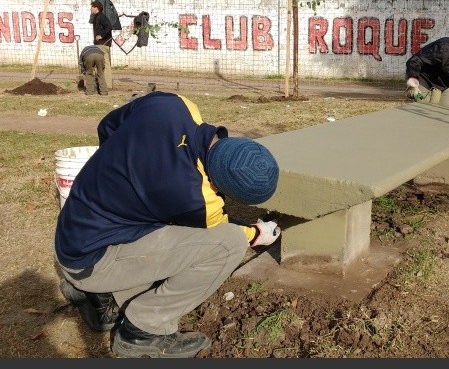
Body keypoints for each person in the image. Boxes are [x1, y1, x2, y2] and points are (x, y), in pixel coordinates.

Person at [54, 91, 281, 358]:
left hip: (73, 231)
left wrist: (120, 173)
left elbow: (108, 125)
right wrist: (256, 233)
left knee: (165, 230)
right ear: (221, 186)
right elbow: (226, 230)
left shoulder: (172, 105)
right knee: (228, 245)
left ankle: (104, 298)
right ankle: (144, 331)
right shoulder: (195, 199)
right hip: (90, 262)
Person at [90, 1, 113, 90]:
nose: (91, 8)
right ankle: (106, 84)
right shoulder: (97, 17)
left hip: (102, 44)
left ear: (96, 8)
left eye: (92, 7)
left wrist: (101, 36)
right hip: (102, 43)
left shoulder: (101, 17)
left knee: (98, 64)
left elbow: (109, 27)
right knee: (103, 64)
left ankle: (102, 85)